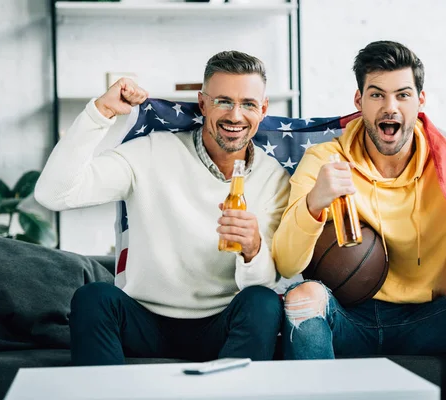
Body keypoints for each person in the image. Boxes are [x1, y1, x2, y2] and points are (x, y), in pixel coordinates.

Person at [272, 41, 446, 400]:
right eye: (377, 95)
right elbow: (286, 263)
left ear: (420, 101)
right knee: (303, 297)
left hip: (425, 318)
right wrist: (314, 203)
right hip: (349, 318)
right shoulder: (325, 161)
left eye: (402, 95)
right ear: (359, 102)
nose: (390, 107)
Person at [35, 51, 290, 365]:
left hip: (221, 325)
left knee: (263, 302)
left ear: (263, 109)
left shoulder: (275, 179)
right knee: (93, 297)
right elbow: (54, 194)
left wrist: (253, 249)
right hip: (145, 321)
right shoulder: (150, 153)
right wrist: (100, 113)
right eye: (223, 101)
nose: (235, 116)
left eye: (248, 104)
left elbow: (261, 286)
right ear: (203, 102)